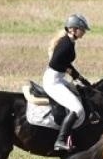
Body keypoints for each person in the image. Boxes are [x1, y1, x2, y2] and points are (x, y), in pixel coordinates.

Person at [38, 13, 91, 151]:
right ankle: (60, 141)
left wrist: (79, 78)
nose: (84, 32)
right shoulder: (66, 43)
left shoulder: (69, 41)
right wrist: (69, 71)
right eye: (82, 29)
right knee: (77, 109)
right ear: (73, 29)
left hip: (58, 79)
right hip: (53, 82)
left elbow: (65, 63)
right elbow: (54, 63)